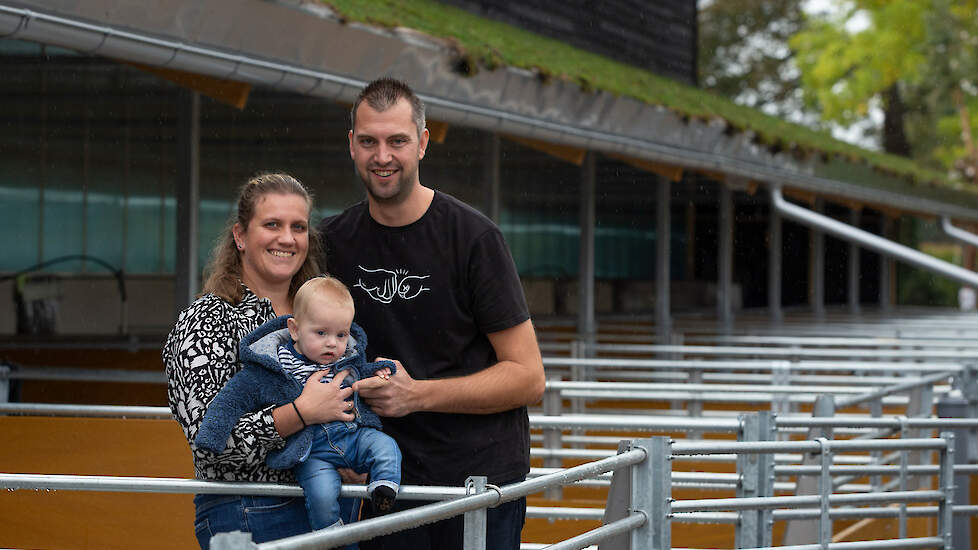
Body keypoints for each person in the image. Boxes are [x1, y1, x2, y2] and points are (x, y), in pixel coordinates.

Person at [318, 77, 546, 549]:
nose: (382, 156)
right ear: (352, 146)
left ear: (422, 143)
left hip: (479, 484)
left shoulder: (474, 240)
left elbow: (528, 377)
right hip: (386, 482)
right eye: (369, 141)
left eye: (397, 140)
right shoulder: (332, 243)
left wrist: (416, 395)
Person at [164, 173, 359, 549]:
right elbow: (211, 447)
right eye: (272, 224)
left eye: (298, 227)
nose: (287, 238)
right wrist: (301, 412)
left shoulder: (324, 317)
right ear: (240, 236)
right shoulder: (209, 321)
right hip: (250, 509)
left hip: (334, 506)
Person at [194, 276, 402, 531]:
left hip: (352, 437)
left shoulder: (348, 358)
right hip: (310, 450)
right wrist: (212, 433)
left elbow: (365, 372)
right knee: (321, 494)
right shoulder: (274, 367)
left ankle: (384, 487)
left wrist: (382, 372)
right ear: (294, 329)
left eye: (341, 335)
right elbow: (233, 397)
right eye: (321, 333)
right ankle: (328, 534)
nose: (332, 343)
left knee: (385, 446)